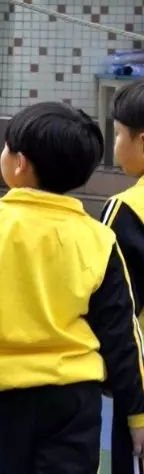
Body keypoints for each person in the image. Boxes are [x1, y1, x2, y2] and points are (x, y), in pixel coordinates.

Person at [0, 102, 144, 474]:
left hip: (0, 398)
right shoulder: (98, 238)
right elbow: (121, 335)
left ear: (18, 164)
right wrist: (137, 413)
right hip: (75, 397)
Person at [102, 79, 144, 474]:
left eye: (117, 135)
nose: (115, 146)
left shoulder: (125, 210)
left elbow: (119, 311)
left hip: (140, 383)